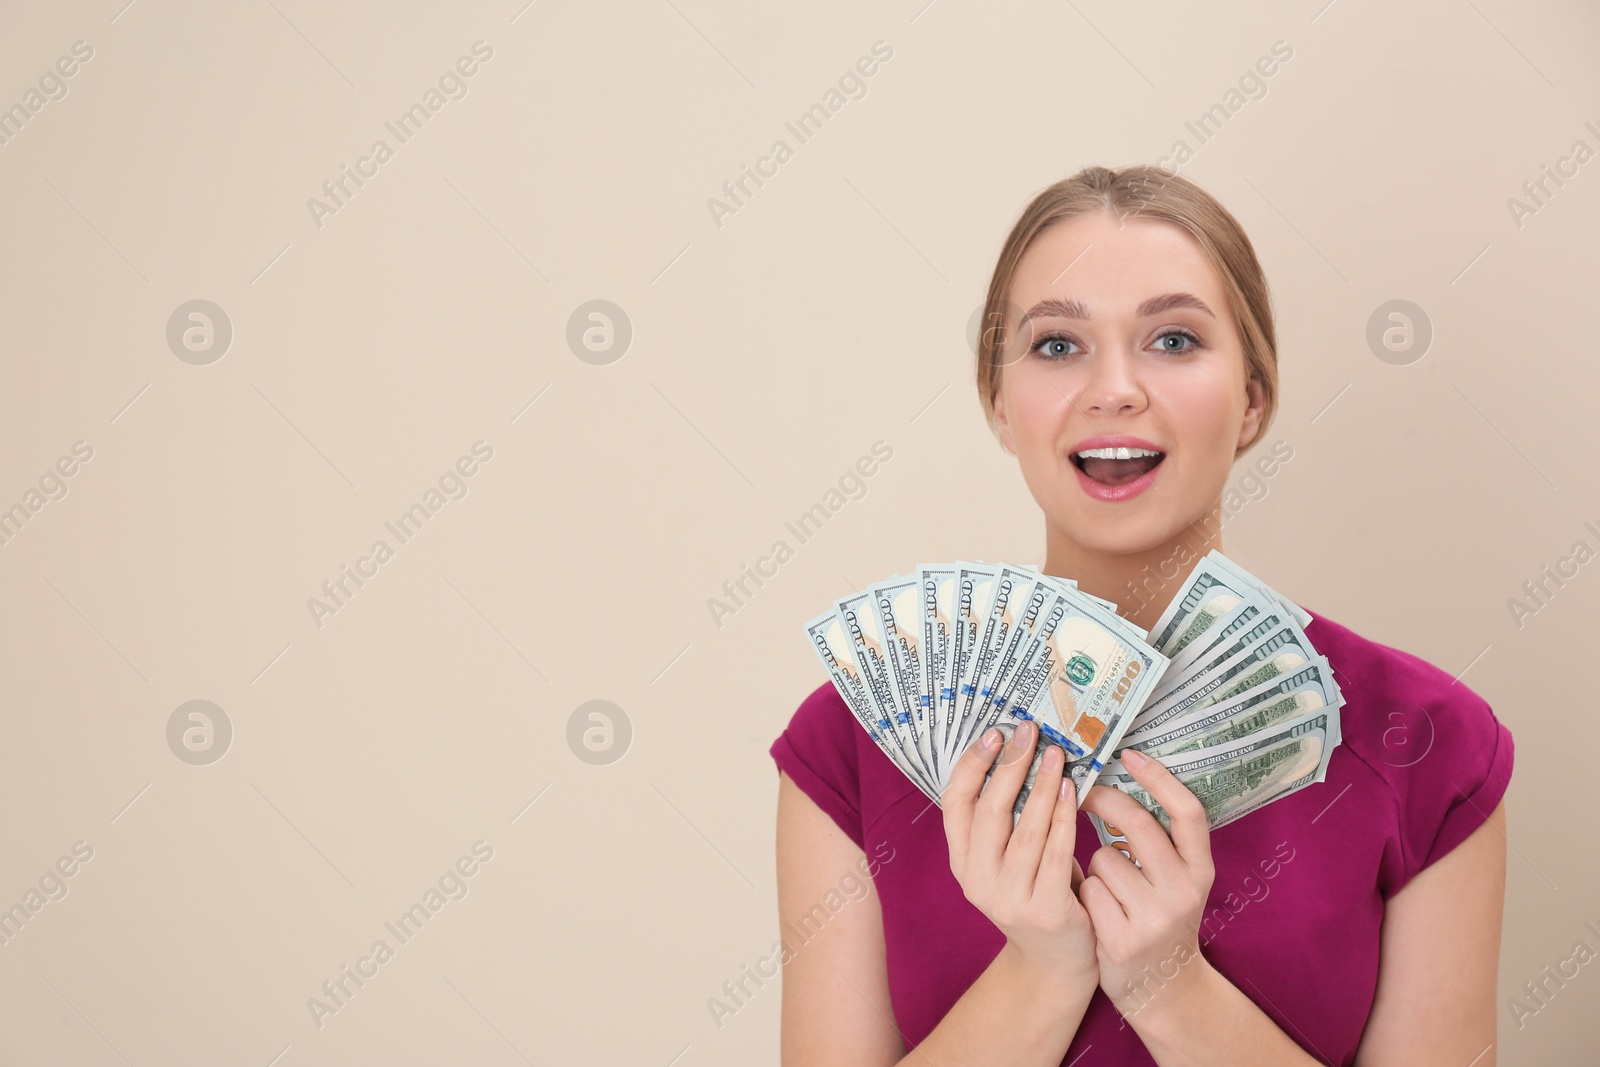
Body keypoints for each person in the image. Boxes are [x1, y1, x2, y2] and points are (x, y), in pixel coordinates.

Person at [769, 164, 1514, 1066]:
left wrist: (1173, 984)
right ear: (1000, 405)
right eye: (1055, 346)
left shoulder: (1427, 745)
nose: (1115, 388)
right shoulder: (852, 742)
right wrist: (1040, 969)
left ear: (1252, 398)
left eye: (1172, 339)